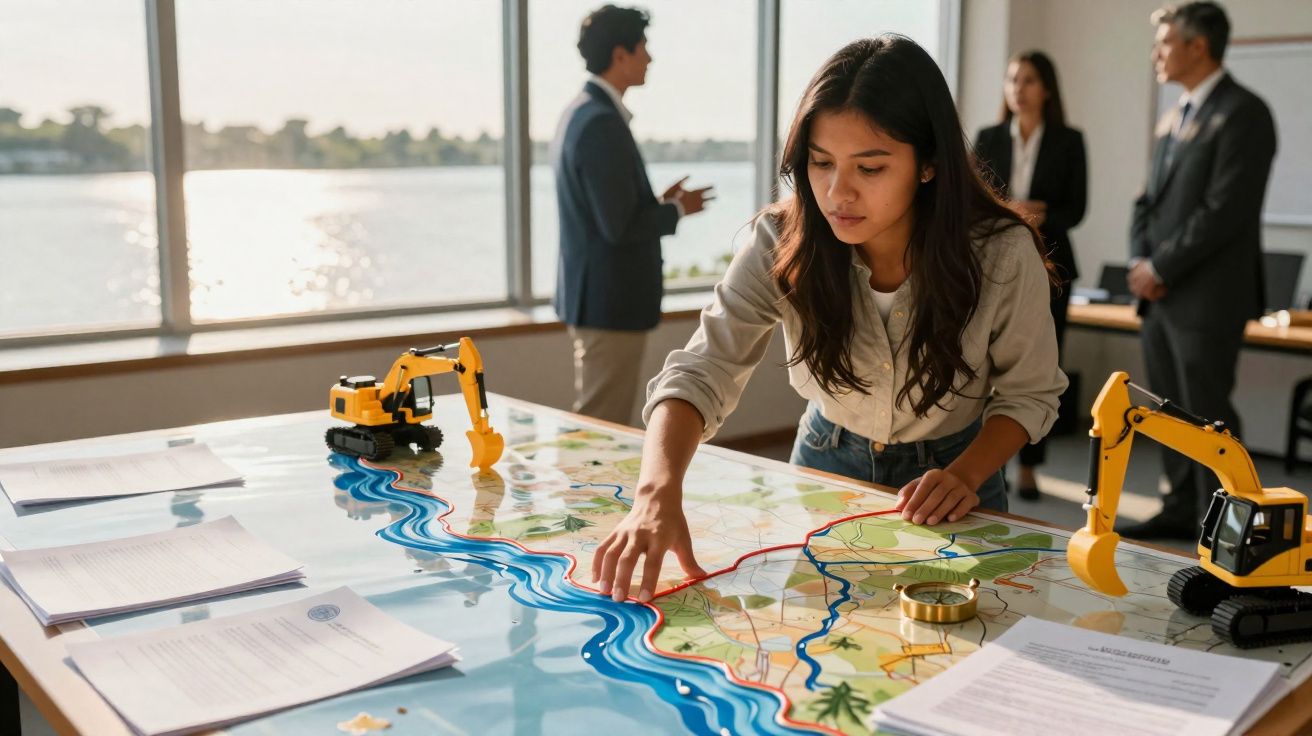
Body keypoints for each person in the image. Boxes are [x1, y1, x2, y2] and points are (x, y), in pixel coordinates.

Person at [591, 35, 1067, 603]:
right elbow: (701, 369)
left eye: (870, 167)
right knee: (816, 635)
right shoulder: (781, 238)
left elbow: (1029, 395)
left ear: (929, 164)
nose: (837, 193)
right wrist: (654, 493)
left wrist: (964, 475)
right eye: (820, 163)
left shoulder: (1000, 252)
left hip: (957, 470)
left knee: (966, 646)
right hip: (826, 457)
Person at [1120, 2, 1277, 541]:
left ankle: (1226, 526)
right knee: (1167, 410)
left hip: (1208, 297)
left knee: (1207, 413)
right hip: (1161, 296)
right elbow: (1146, 202)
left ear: (1198, 46)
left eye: (1164, 42)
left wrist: (1161, 265)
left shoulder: (1244, 113)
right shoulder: (1175, 114)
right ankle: (1179, 508)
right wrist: (1142, 263)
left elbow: (1224, 212)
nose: (1155, 54)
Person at [552, 4, 714, 426]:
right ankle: (582, 495)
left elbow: (608, 211)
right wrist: (679, 209)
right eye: (643, 47)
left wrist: (659, 203)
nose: (650, 57)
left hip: (598, 300)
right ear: (620, 54)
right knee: (600, 423)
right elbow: (619, 227)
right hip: (610, 303)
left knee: (598, 420)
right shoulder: (600, 123)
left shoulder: (580, 114)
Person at [973, 51, 1088, 501]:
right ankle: (985, 459)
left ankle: (1030, 468)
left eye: (1029, 80)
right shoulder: (987, 137)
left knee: (1041, 367)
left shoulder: (1069, 139)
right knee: (986, 363)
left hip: (1052, 263)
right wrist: (1010, 212)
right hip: (989, 262)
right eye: (1012, 79)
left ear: (1047, 89)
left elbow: (1076, 209)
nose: (1018, 88)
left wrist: (1038, 212)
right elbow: (974, 197)